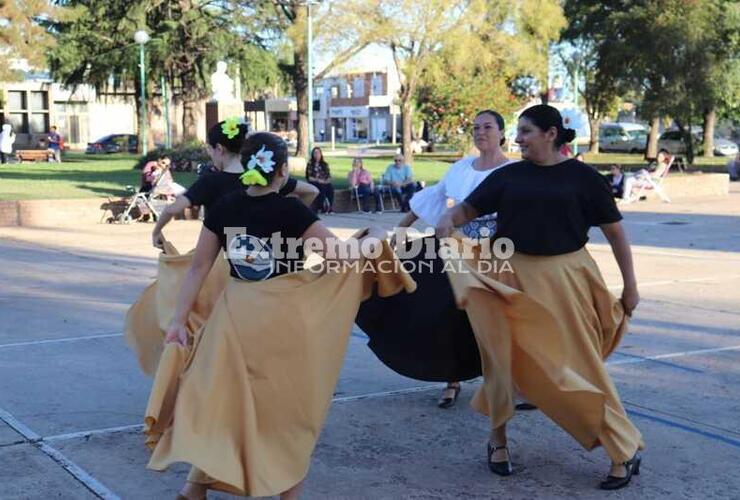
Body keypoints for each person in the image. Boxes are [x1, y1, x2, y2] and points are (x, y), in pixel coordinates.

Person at [151, 132, 389, 500]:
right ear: (280, 171)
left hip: (234, 317)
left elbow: (198, 268)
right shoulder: (291, 210)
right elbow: (339, 259)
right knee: (287, 413)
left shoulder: (227, 207)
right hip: (282, 320)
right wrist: (374, 239)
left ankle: (194, 489)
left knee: (226, 404)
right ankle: (285, 495)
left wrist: (180, 321)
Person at [436, 104, 643, 490]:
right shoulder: (510, 175)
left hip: (566, 280)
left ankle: (623, 449)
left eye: (526, 131)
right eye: (518, 132)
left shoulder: (584, 179)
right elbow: (468, 208)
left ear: (551, 133)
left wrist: (630, 287)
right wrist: (450, 219)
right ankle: (497, 442)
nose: (518, 139)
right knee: (501, 362)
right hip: (508, 277)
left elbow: (616, 235)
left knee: (580, 367)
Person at [390, 109, 513, 408]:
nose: (480, 132)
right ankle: (452, 378)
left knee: (492, 317)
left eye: (487, 127)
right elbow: (432, 199)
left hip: (493, 253)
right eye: (475, 127)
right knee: (447, 312)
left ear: (501, 133)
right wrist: (402, 227)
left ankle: (500, 382)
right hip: (453, 250)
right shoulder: (459, 168)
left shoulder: (512, 172)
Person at [152, 119, 318, 248]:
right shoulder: (265, 176)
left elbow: (173, 208)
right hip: (263, 259)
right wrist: (294, 223)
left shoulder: (211, 181)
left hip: (223, 262)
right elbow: (312, 191)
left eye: (209, 150)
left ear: (219, 148)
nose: (210, 156)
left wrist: (157, 231)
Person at [306, 146, 335, 214]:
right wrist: (318, 180)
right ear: (313, 154)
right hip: (315, 182)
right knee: (321, 188)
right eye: (315, 153)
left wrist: (326, 181)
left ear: (321, 154)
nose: (317, 155)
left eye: (318, 153)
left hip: (324, 182)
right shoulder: (310, 164)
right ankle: (322, 207)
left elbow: (328, 176)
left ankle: (330, 207)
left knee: (330, 188)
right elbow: (309, 177)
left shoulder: (324, 164)